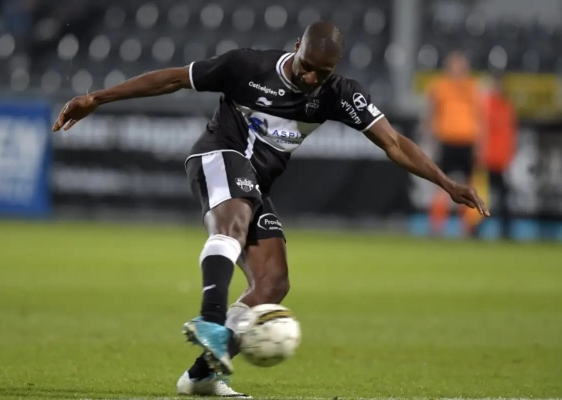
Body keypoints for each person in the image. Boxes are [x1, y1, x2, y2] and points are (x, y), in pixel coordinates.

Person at [53, 21, 489, 398]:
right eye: (306, 65)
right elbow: (173, 79)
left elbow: (394, 143)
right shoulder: (248, 66)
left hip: (253, 184)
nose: (311, 77)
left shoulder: (339, 94)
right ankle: (210, 320)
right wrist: (98, 98)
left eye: (322, 72)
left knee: (273, 282)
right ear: (296, 46)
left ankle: (202, 376)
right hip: (217, 155)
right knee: (233, 222)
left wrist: (447, 183)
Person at [424, 51, 486, 237]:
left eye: (461, 66)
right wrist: (431, 138)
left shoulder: (474, 87)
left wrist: (481, 145)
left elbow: (481, 118)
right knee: (441, 184)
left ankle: (468, 228)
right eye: (454, 66)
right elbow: (431, 113)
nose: (458, 70)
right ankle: (436, 226)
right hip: (446, 141)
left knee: (469, 186)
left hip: (468, 142)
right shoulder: (439, 87)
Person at [479, 71, 517, 239]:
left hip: (502, 160)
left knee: (500, 196)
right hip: (487, 159)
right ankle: (475, 227)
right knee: (488, 196)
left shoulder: (506, 106)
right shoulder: (486, 105)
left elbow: (510, 134)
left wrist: (510, 156)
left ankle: (502, 229)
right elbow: (481, 132)